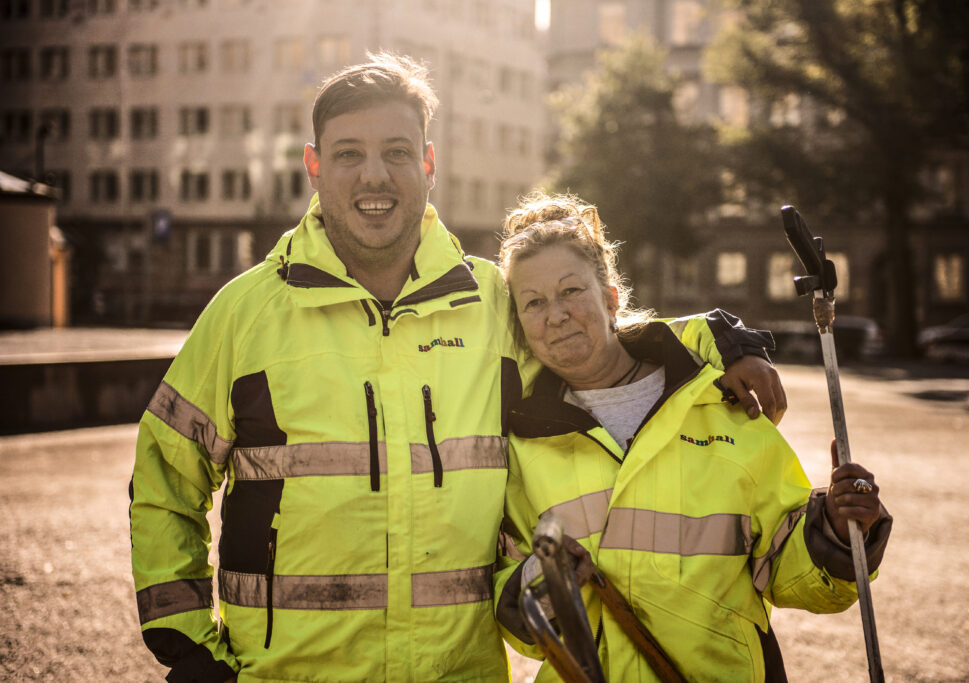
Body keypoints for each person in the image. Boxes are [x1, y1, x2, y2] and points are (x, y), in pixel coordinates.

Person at [129, 53, 785, 681]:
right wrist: (186, 645)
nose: (374, 175)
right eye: (349, 153)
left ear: (430, 163)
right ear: (314, 166)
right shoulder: (246, 313)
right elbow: (165, 475)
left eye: (397, 152)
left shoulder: (491, 303)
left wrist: (715, 338)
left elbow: (591, 338)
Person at [493, 192, 893, 682]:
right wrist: (540, 585)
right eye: (533, 302)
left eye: (571, 291)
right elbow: (516, 612)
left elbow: (789, 571)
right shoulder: (518, 442)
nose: (555, 314)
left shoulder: (723, 403)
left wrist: (835, 529)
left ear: (611, 298)